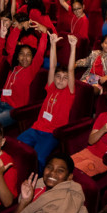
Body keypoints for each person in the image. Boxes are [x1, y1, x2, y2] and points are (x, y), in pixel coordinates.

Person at [17, 34, 78, 170]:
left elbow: (71, 69)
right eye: (58, 77)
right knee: (18, 145)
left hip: (51, 134)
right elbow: (51, 67)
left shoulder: (69, 91)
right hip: (36, 128)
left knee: (38, 159)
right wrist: (53, 44)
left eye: (64, 78)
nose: (61, 80)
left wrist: (73, 47)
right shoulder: (51, 88)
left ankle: (37, 184)